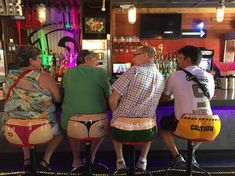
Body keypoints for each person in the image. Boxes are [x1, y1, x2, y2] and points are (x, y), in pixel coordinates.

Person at [3, 45, 63, 171]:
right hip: (42, 127)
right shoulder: (44, 76)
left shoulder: (9, 76)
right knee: (60, 133)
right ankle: (45, 160)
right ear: (31, 61)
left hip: (13, 128)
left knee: (22, 121)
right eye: (39, 58)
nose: (41, 60)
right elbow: (58, 99)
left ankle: (27, 159)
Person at [109, 45, 165, 171]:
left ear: (145, 56)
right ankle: (142, 160)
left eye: (135, 55)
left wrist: (116, 113)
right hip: (147, 131)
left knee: (115, 121)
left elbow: (113, 100)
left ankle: (120, 161)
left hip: (123, 130)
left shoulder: (134, 71)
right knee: (150, 119)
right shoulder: (161, 77)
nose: (133, 58)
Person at [159, 45, 215, 167]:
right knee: (204, 125)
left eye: (180, 58)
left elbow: (164, 98)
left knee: (162, 127)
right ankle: (191, 153)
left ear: (188, 59)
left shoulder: (176, 75)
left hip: (185, 124)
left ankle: (177, 157)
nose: (178, 61)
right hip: (210, 126)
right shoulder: (210, 77)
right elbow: (209, 96)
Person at [60, 50, 111, 170]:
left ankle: (76, 159)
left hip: (71, 122)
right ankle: (91, 156)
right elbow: (109, 95)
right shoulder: (101, 73)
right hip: (97, 122)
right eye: (95, 60)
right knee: (102, 125)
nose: (97, 64)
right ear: (86, 59)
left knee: (72, 128)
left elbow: (62, 94)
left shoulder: (68, 73)